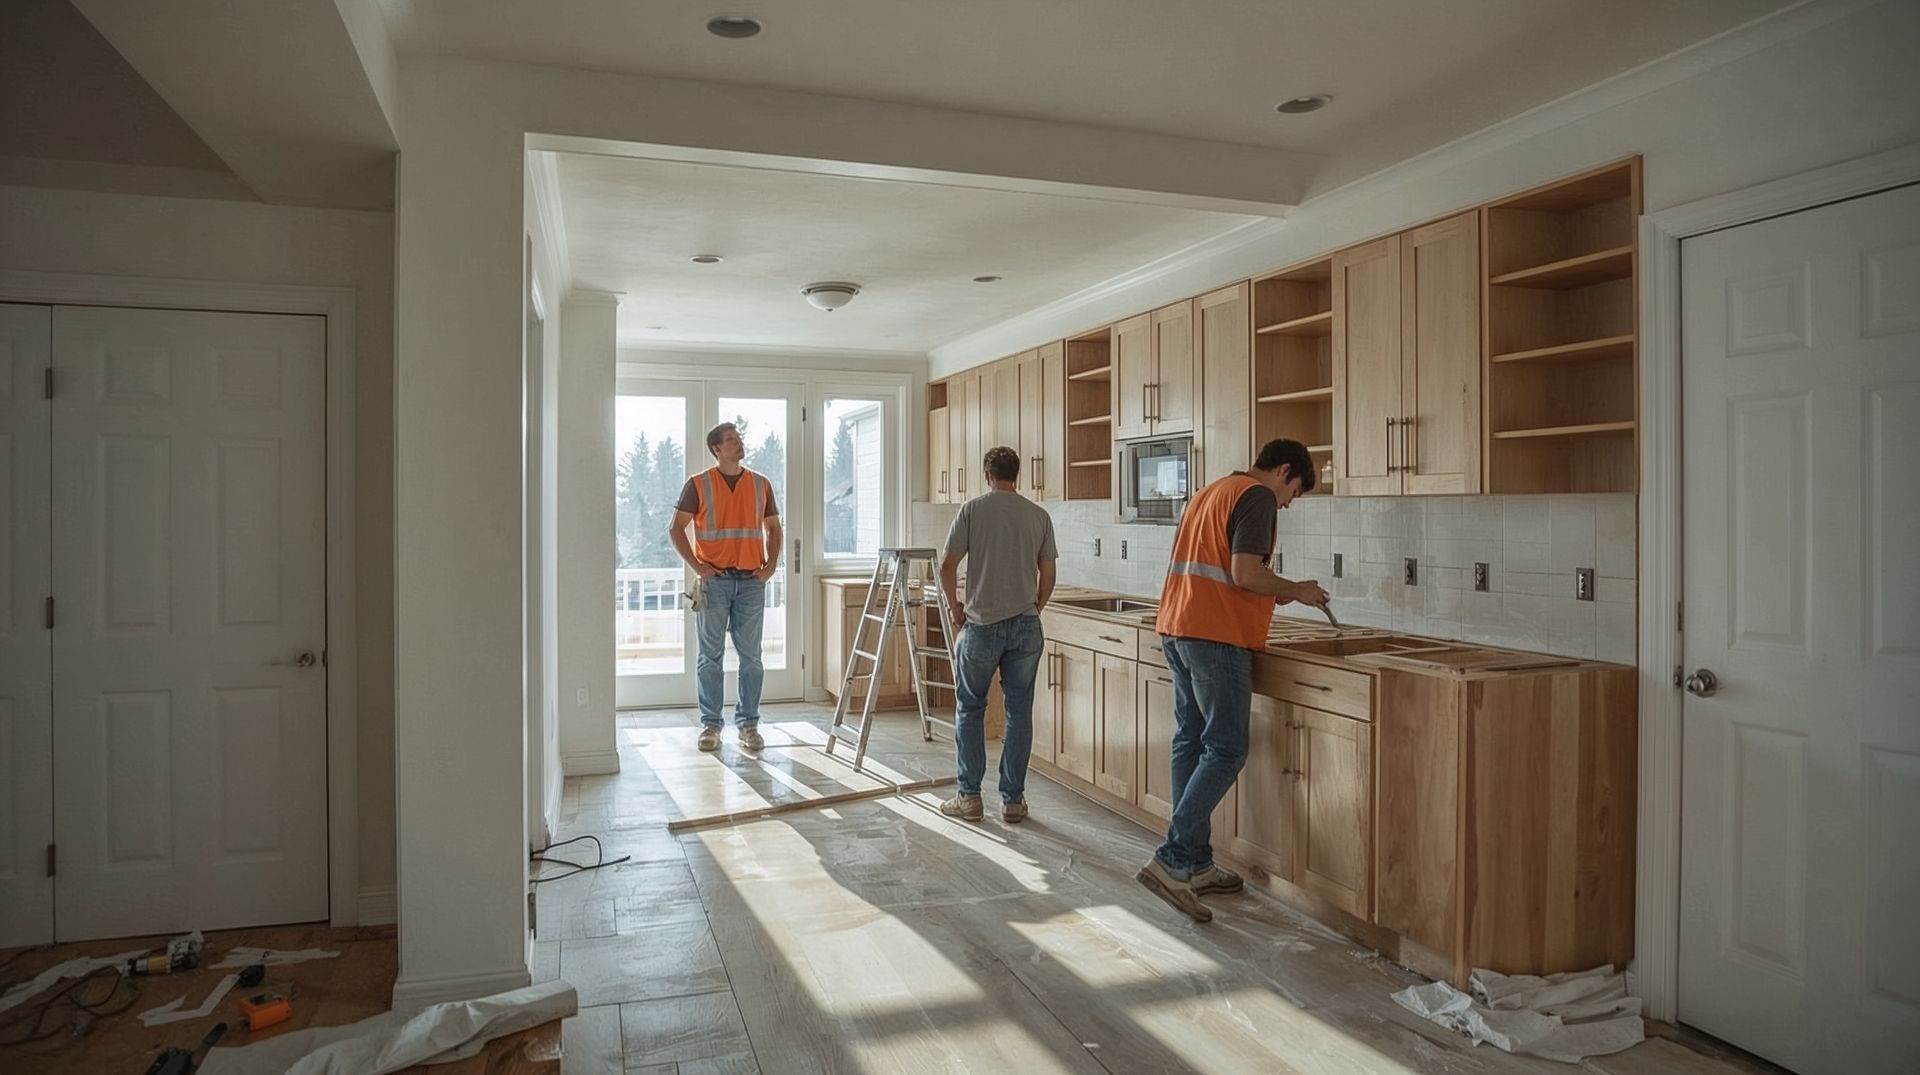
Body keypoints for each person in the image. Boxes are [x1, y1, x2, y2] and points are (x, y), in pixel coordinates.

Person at [1137, 437, 1330, 922]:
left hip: (1178, 626)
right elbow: (1244, 573)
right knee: (1226, 748)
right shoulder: (1258, 497)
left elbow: (1224, 567)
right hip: (1216, 635)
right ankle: (1173, 859)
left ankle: (1196, 862)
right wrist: (1297, 590)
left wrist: (1276, 591)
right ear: (1284, 471)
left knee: (1191, 740)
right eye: (1295, 492)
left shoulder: (1212, 491)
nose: (1289, 503)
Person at [937, 446, 1058, 823]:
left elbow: (946, 566)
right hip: (1025, 626)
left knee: (970, 708)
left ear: (987, 475)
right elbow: (1048, 576)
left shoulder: (972, 510)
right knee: (1019, 713)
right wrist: (1035, 609)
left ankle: (969, 798)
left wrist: (955, 607)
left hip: (981, 625)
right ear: (1017, 475)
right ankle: (1013, 801)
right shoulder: (1038, 516)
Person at [669, 422, 782, 753]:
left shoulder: (760, 484)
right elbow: (675, 528)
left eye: (739, 438)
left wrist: (770, 566)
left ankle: (749, 726)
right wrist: (698, 567)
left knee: (752, 659)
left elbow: (774, 529)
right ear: (716, 449)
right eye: (731, 440)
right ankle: (711, 726)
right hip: (714, 582)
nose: (738, 443)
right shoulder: (698, 485)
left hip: (751, 582)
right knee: (710, 657)